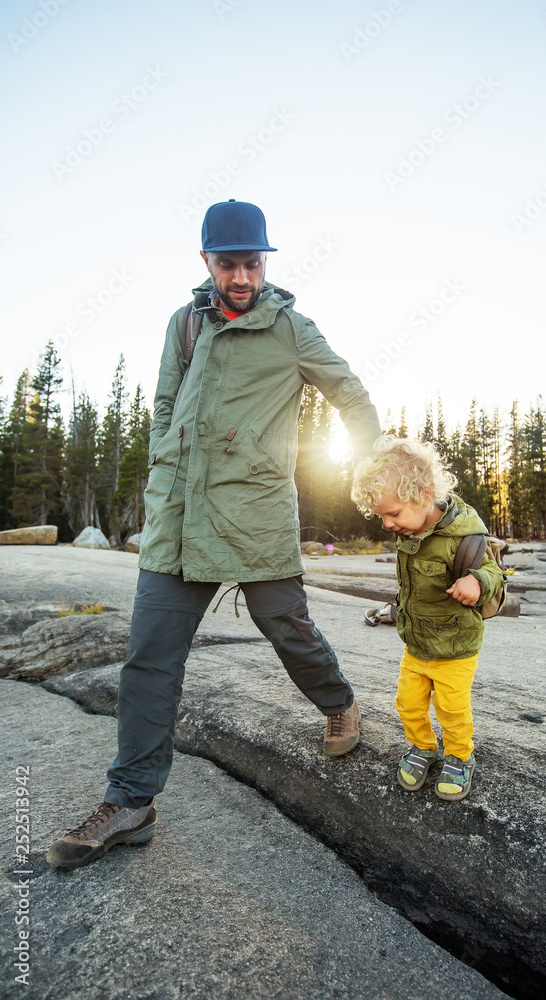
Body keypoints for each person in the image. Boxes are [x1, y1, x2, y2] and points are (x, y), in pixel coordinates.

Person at [47, 199, 381, 869]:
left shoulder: (290, 328)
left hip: (253, 509)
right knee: (149, 655)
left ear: (265, 262)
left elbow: (349, 390)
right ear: (206, 262)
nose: (239, 277)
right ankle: (131, 802)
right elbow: (164, 402)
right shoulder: (186, 323)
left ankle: (338, 701)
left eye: (250, 264)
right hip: (179, 514)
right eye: (227, 264)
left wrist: (371, 467)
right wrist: (165, 459)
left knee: (284, 624)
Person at [351, 436, 504, 801]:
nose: (388, 524)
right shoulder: (410, 531)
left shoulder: (463, 536)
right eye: (382, 516)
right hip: (417, 643)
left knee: (451, 708)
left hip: (455, 645)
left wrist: (476, 581)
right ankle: (422, 747)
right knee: (407, 702)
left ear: (422, 494)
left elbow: (496, 573)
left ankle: (460, 756)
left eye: (394, 513)